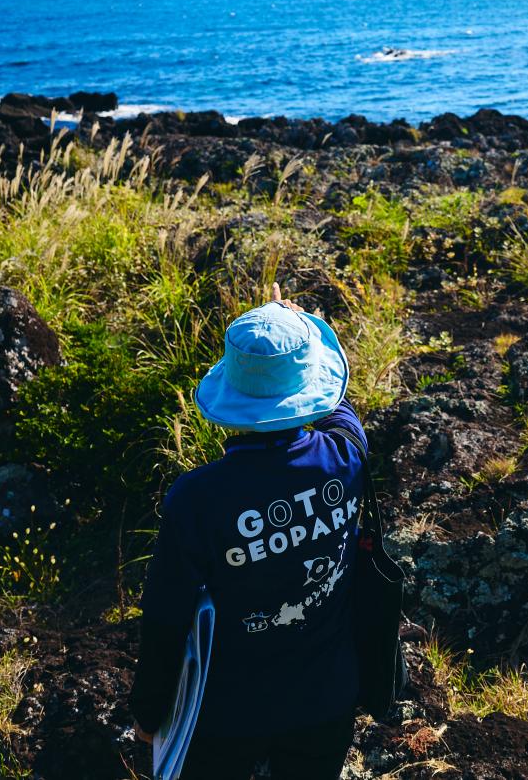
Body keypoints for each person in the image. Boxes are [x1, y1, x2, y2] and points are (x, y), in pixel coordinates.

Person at [130, 283, 364, 780]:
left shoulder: (197, 499)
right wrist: (303, 328)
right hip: (327, 698)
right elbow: (340, 407)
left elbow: (166, 617)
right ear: (308, 386)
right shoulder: (346, 456)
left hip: (228, 714)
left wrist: (149, 713)